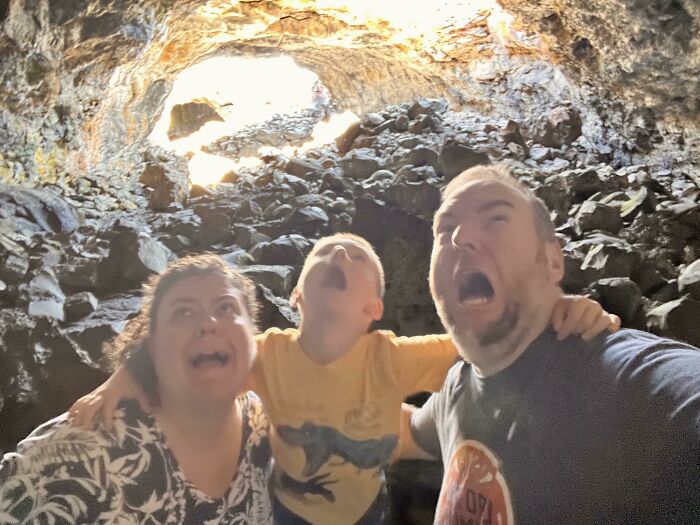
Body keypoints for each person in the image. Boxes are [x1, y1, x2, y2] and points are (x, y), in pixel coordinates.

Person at [69, 234, 619, 525]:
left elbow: (488, 342)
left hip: (365, 508)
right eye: (323, 254)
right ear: (297, 297)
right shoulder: (267, 354)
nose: (338, 251)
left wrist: (557, 313)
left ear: (372, 310)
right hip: (288, 509)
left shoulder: (390, 358)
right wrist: (121, 379)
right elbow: (194, 355)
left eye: (355, 256)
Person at [409, 164, 700, 524]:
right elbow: (403, 431)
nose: (460, 237)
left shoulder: (623, 382)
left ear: (553, 261)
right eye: (445, 227)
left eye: (495, 218)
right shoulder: (456, 387)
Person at [0, 255, 273, 524]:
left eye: (225, 307)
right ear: (152, 346)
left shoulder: (267, 419)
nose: (207, 324)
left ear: (254, 334)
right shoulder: (77, 457)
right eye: (183, 313)